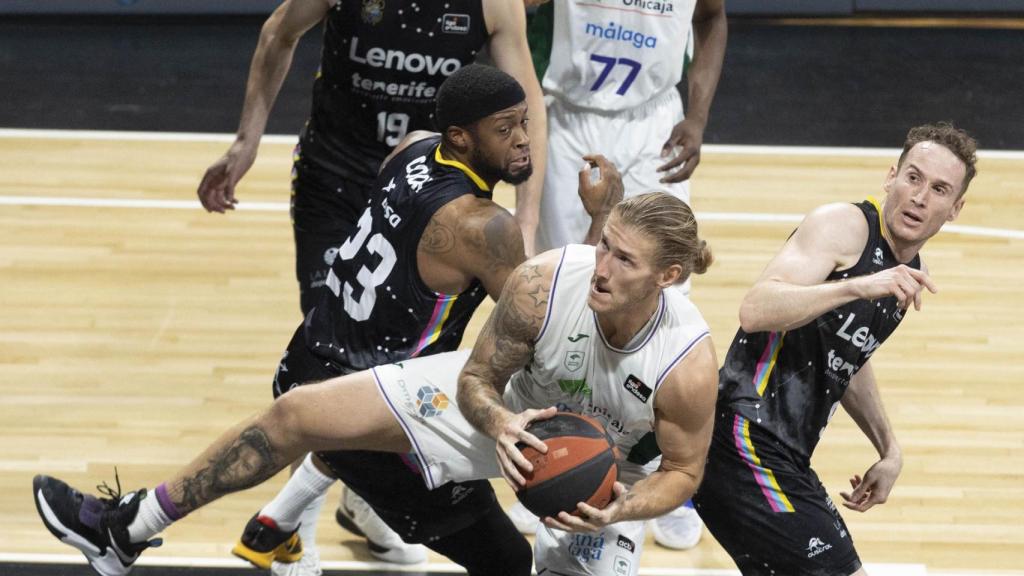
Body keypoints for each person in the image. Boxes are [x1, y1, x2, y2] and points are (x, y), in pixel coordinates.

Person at [33, 191, 718, 576]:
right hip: (511, 410)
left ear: (666, 277)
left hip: (602, 477)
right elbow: (479, 375)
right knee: (299, 411)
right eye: (605, 245)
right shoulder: (546, 282)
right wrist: (499, 423)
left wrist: (619, 509)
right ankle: (129, 526)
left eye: (623, 259)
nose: (602, 266)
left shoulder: (683, 364)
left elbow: (684, 472)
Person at [196, 0, 547, 564]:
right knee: (333, 363)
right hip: (337, 175)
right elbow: (277, 33)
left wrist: (528, 217)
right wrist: (247, 140)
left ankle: (353, 501)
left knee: (391, 368)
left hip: (436, 174)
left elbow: (525, 97)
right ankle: (294, 536)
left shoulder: (492, 4)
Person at [692, 122, 977, 576]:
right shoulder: (843, 227)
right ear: (891, 177)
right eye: (913, 177)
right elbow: (756, 308)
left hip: (786, 457)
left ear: (956, 208)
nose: (920, 197)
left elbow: (846, 359)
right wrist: (859, 287)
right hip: (740, 439)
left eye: (939, 189)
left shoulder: (905, 272)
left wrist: (889, 448)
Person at [510, 0, 728, 548]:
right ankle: (554, 461)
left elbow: (711, 17)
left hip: (653, 122)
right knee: (572, 294)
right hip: (570, 119)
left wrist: (698, 117)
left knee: (668, 294)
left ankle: (669, 477)